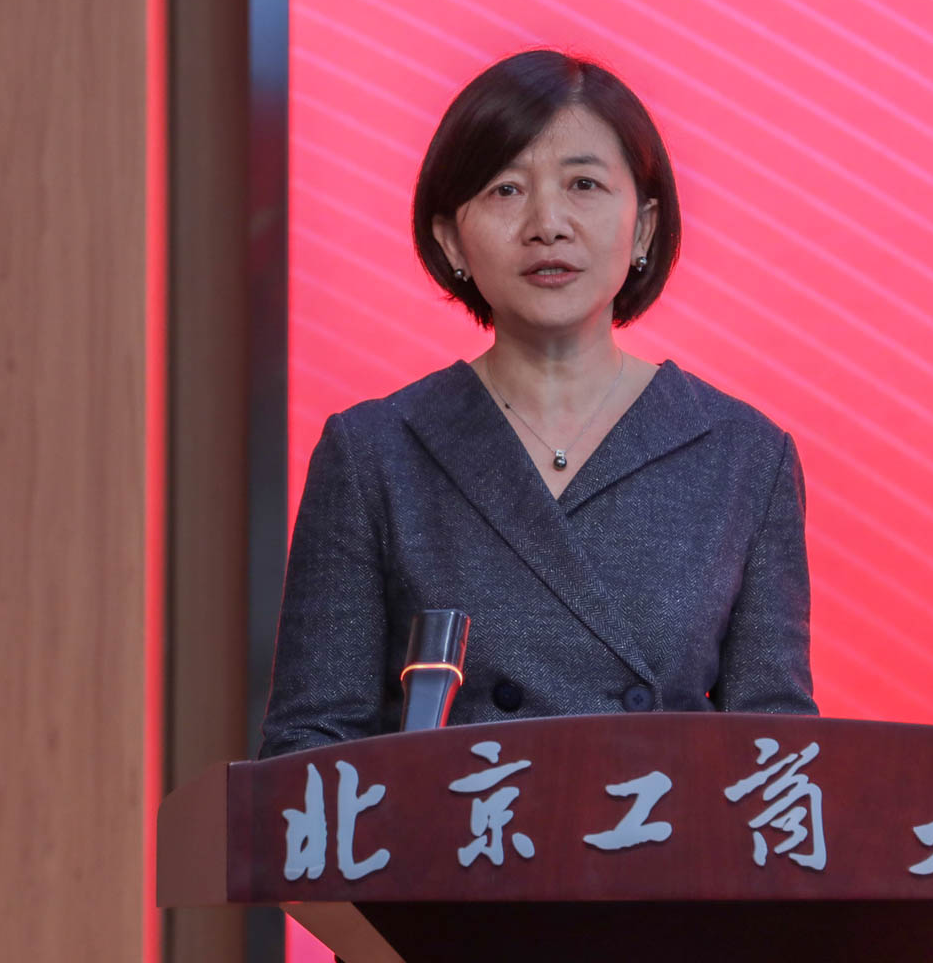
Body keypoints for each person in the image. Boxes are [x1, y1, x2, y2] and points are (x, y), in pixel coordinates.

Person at [258, 49, 818, 760]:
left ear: (643, 227)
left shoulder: (744, 456)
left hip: (657, 828)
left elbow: (778, 757)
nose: (547, 223)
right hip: (458, 830)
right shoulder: (373, 453)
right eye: (505, 190)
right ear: (451, 239)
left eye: (584, 183)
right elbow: (309, 751)